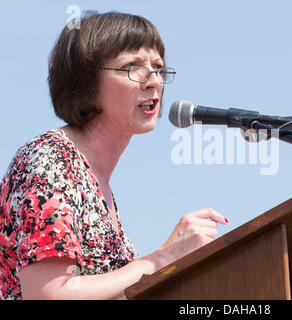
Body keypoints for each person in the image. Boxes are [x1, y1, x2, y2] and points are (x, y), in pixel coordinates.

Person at [0, 11, 227, 300]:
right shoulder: (51, 159)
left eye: (158, 67)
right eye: (132, 67)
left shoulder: (96, 181)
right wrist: (163, 257)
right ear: (86, 81)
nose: (153, 80)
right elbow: (50, 295)